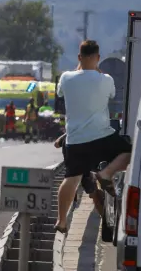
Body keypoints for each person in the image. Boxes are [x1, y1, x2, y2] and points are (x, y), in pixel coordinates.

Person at [54, 40, 132, 234]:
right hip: (102, 137)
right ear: (98, 58)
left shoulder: (66, 78)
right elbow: (111, 95)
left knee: (71, 179)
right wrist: (95, 70)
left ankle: (61, 221)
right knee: (130, 152)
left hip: (76, 140)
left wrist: (81, 68)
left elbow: (61, 92)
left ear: (79, 58)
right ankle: (106, 174)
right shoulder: (106, 80)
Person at [54, 132, 104, 218]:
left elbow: (56, 144)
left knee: (90, 192)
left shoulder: (69, 135)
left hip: (73, 171)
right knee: (94, 193)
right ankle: (103, 217)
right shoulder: (86, 133)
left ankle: (63, 219)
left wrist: (66, 133)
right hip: (85, 170)